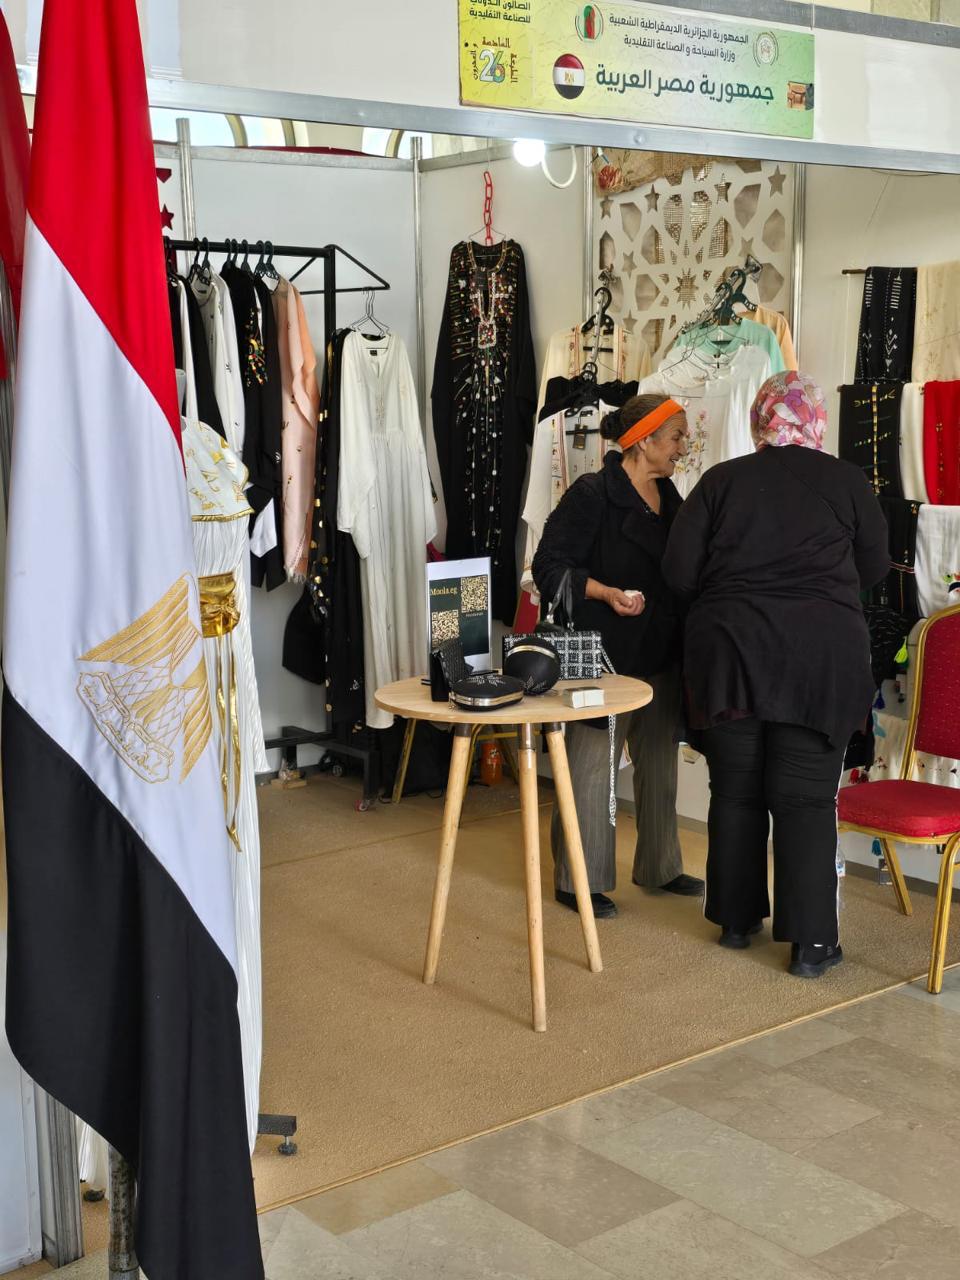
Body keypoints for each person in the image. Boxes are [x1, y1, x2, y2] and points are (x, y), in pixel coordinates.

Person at [662, 371, 889, 978]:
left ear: (760, 418)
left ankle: (736, 922)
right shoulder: (846, 481)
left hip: (730, 653)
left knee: (736, 789)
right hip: (819, 658)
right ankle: (810, 947)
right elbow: (874, 566)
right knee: (805, 797)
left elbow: (678, 571)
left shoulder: (721, 480)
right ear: (815, 419)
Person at [532, 393, 704, 919]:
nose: (683, 446)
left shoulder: (669, 494)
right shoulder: (593, 494)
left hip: (660, 650)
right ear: (644, 440)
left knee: (659, 764)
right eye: (675, 436)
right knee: (592, 769)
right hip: (602, 655)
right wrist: (606, 593)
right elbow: (548, 568)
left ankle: (660, 866)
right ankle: (578, 878)